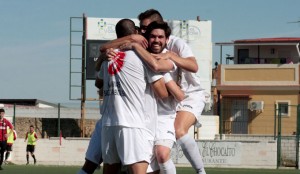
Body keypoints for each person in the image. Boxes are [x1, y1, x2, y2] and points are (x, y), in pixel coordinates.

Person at [138, 9, 207, 174]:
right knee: (158, 156)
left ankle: (201, 171)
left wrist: (171, 56)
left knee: (178, 131)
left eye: (145, 27)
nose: (143, 31)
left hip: (190, 96)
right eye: (141, 28)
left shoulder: (175, 44)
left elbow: (194, 66)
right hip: (167, 104)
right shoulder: (144, 45)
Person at [121, 21, 185, 174]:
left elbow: (179, 95)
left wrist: (135, 46)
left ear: (166, 39)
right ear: (147, 38)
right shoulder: (136, 58)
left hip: (163, 118)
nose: (157, 40)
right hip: (141, 120)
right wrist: (104, 57)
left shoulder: (168, 60)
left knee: (162, 155)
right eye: (153, 37)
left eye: (161, 37)